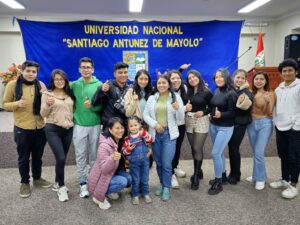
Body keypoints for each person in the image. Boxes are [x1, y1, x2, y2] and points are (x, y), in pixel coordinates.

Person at [2, 60, 52, 198]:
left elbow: (46, 105)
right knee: (24, 158)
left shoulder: (40, 85)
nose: (31, 74)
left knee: (38, 157)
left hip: (40, 128)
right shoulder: (12, 85)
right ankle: (24, 182)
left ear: (37, 73)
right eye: (28, 71)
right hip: (22, 128)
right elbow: (4, 104)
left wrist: (47, 99)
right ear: (22, 71)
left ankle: (37, 178)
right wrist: (17, 103)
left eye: (34, 71)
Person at [143, 74, 185, 201]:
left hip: (169, 134)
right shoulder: (152, 98)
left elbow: (180, 118)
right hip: (156, 134)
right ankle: (162, 184)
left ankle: (167, 187)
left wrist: (178, 109)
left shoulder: (175, 97)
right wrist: (155, 125)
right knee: (159, 163)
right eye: (159, 83)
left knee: (167, 163)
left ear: (169, 84)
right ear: (156, 85)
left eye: (164, 83)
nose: (161, 85)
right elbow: (145, 115)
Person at [40, 69, 74, 202]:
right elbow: (43, 114)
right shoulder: (48, 94)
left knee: (63, 158)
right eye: (57, 79)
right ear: (53, 81)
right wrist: (48, 105)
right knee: (60, 157)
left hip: (68, 129)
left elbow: (73, 109)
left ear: (65, 80)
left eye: (62, 79)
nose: (59, 81)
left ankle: (56, 182)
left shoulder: (69, 93)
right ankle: (61, 187)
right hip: (53, 129)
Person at [71, 57, 102, 198]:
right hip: (79, 125)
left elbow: (103, 106)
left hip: (95, 124)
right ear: (79, 69)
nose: (86, 69)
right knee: (80, 154)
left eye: (88, 67)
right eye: (83, 67)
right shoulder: (74, 85)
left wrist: (93, 107)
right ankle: (83, 183)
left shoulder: (99, 85)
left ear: (93, 69)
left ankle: (93, 180)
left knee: (95, 155)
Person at [271, 58, 300, 199]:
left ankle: (293, 184)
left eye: (290, 70)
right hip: (280, 127)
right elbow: (276, 108)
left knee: (294, 156)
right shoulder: (279, 88)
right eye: (284, 71)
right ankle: (284, 179)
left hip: (295, 129)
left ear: (295, 71)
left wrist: (296, 126)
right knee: (283, 154)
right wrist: (275, 122)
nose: (287, 73)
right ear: (281, 73)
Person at [88, 117, 132, 210]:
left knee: (128, 178)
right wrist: (112, 158)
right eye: (117, 128)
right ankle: (98, 197)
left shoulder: (120, 141)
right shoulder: (104, 146)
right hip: (99, 179)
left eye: (122, 128)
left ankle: (108, 191)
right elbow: (104, 169)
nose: (120, 130)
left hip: (112, 172)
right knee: (122, 182)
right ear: (110, 130)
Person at [208, 68, 236, 195]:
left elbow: (233, 113)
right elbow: (215, 106)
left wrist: (221, 115)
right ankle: (223, 176)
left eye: (221, 76)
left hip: (225, 127)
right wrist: (212, 114)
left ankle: (218, 182)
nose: (218, 79)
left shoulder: (231, 93)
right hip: (213, 125)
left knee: (215, 153)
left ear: (226, 77)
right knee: (219, 154)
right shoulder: (217, 90)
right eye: (216, 77)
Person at [246, 71, 275, 190]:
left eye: (261, 79)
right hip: (251, 124)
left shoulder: (270, 94)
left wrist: (267, 102)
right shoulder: (251, 93)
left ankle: (261, 178)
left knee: (258, 152)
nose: (258, 81)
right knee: (255, 151)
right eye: (256, 79)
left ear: (266, 81)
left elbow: (268, 112)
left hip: (265, 123)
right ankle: (256, 175)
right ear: (253, 81)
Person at [185, 70, 213, 190]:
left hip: (202, 120)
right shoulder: (188, 91)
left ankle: (196, 176)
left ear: (199, 77)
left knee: (197, 147)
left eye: (194, 77)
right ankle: (199, 170)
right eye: (189, 78)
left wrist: (204, 112)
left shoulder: (206, 91)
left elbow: (213, 106)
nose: (192, 79)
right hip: (189, 120)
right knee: (193, 148)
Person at [227, 69, 253, 185]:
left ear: (245, 80)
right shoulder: (230, 90)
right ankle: (232, 173)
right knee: (231, 149)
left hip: (240, 124)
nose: (240, 80)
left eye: (243, 78)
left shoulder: (247, 92)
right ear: (233, 78)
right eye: (238, 77)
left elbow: (245, 107)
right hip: (229, 124)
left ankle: (236, 174)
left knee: (234, 149)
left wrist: (241, 101)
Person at [122, 116, 153, 205]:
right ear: (128, 127)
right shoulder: (127, 139)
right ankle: (135, 195)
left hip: (145, 161)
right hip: (133, 162)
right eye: (131, 126)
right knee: (135, 179)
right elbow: (124, 152)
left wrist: (144, 133)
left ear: (139, 125)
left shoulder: (143, 134)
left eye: (135, 125)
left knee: (145, 178)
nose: (134, 127)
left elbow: (150, 141)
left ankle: (146, 193)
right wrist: (128, 149)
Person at [168, 70, 189, 189]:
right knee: (170, 149)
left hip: (181, 124)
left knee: (178, 147)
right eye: (173, 78)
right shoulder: (165, 91)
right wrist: (184, 108)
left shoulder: (185, 88)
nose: (176, 80)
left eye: (178, 78)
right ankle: (170, 174)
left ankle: (175, 167)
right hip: (170, 124)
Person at [92, 62, 129, 130]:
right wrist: (101, 90)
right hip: (109, 127)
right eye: (120, 73)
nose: (123, 75)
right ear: (114, 74)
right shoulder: (108, 86)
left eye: (125, 72)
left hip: (124, 127)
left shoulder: (129, 88)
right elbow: (94, 102)